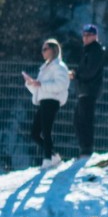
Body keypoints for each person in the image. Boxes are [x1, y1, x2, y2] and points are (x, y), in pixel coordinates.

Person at [22, 39, 70, 169]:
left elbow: (61, 84)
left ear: (53, 50)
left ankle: (47, 159)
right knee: (35, 133)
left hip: (52, 101)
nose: (42, 52)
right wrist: (31, 84)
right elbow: (39, 89)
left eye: (45, 49)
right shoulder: (44, 68)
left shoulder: (60, 66)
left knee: (46, 131)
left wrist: (41, 84)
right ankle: (53, 156)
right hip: (44, 101)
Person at [71, 24, 105, 156]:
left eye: (88, 35)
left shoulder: (95, 50)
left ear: (95, 36)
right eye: (84, 35)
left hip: (89, 90)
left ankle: (87, 150)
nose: (85, 38)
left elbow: (89, 71)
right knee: (78, 120)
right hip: (84, 90)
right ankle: (84, 149)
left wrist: (76, 75)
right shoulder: (88, 50)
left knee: (85, 121)